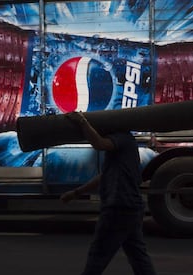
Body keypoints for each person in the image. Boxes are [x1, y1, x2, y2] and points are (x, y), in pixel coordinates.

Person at [60, 111, 157, 275]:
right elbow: (104, 176)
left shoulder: (121, 138)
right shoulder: (125, 145)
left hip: (119, 206)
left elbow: (99, 144)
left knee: (98, 254)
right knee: (138, 256)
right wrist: (76, 192)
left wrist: (82, 122)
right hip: (130, 207)